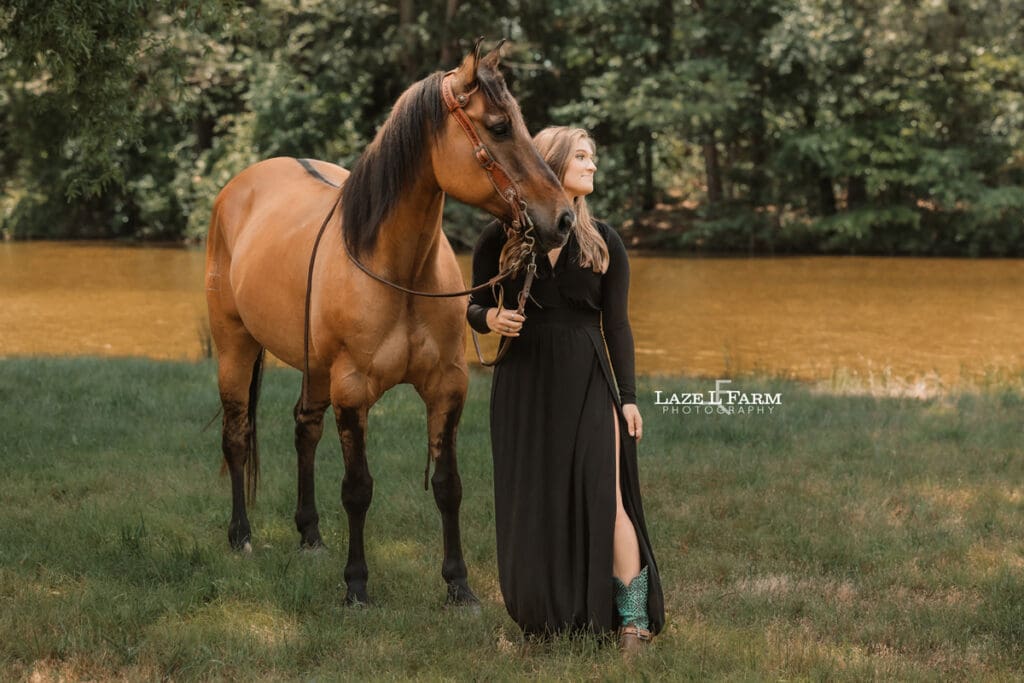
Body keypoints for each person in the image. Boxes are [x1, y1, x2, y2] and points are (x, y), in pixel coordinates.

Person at [467, 126, 665, 654]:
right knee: (534, 500)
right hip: (523, 384)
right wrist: (492, 317)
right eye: (581, 155)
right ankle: (547, 618)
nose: (592, 164)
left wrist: (628, 397)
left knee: (610, 498)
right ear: (552, 161)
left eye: (593, 156)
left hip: (587, 381)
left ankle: (631, 620)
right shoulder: (501, 236)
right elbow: (470, 306)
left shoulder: (604, 239)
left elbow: (616, 326)